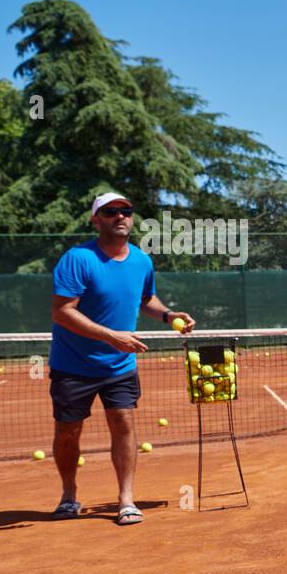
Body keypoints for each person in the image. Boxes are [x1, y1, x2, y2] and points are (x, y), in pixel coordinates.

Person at [49, 192, 195, 525]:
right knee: (68, 432)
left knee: (124, 424)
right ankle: (69, 494)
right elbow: (62, 312)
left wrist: (168, 314)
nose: (120, 216)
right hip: (73, 366)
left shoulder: (142, 261)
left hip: (119, 366)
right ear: (95, 219)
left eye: (125, 211)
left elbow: (145, 298)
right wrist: (111, 336)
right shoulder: (77, 259)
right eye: (110, 211)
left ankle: (126, 499)